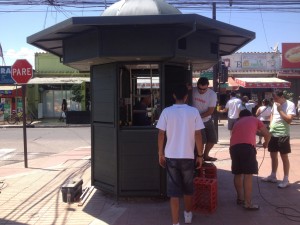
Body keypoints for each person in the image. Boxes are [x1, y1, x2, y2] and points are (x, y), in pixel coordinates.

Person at [156, 84, 204, 225]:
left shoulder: (166, 111)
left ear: (174, 96)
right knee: (188, 189)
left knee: (174, 192)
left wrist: (160, 154)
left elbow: (160, 134)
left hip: (171, 156)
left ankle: (175, 223)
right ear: (186, 97)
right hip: (188, 157)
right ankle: (188, 217)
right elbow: (198, 134)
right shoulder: (193, 112)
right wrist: (200, 155)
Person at [230, 109, 270, 210]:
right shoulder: (254, 119)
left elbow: (251, 131)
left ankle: (240, 198)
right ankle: (248, 203)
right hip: (247, 148)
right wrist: (266, 143)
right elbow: (267, 133)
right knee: (248, 175)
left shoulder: (237, 123)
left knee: (238, 173)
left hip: (234, 148)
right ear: (250, 115)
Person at [262, 90, 296, 188]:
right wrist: (271, 125)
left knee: (284, 157)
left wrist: (280, 109)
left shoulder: (290, 105)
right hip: (273, 133)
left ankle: (286, 179)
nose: (275, 100)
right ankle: (273, 175)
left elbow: (289, 120)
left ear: (282, 97)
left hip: (283, 134)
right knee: (273, 155)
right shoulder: (275, 104)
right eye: (273, 98)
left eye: (276, 98)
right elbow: (272, 114)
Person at [192, 77, 218, 161]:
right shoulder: (193, 91)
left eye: (204, 89)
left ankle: (205, 155)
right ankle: (200, 157)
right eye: (200, 89)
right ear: (197, 86)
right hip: (195, 121)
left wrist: (198, 116)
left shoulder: (212, 94)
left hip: (207, 119)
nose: (202, 91)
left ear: (208, 86)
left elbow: (210, 111)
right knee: (201, 140)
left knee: (213, 139)